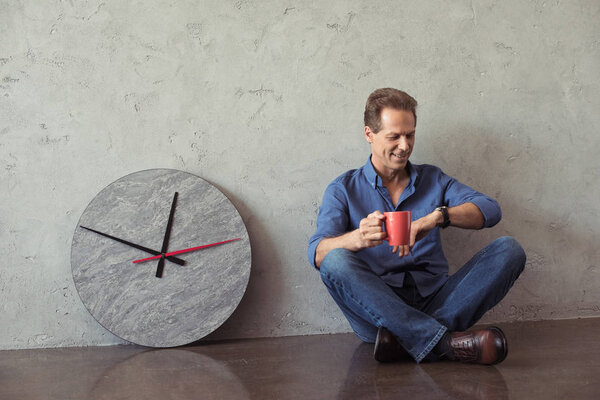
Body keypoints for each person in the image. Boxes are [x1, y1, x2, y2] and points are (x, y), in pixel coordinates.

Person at [307, 88, 526, 364]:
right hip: (377, 314)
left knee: (510, 250)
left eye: (409, 135)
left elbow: (490, 210)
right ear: (369, 134)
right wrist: (357, 238)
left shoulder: (433, 179)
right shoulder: (343, 189)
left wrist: (437, 217)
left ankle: (405, 340)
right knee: (335, 260)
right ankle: (443, 342)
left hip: (437, 299)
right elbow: (317, 252)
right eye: (394, 136)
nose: (404, 145)